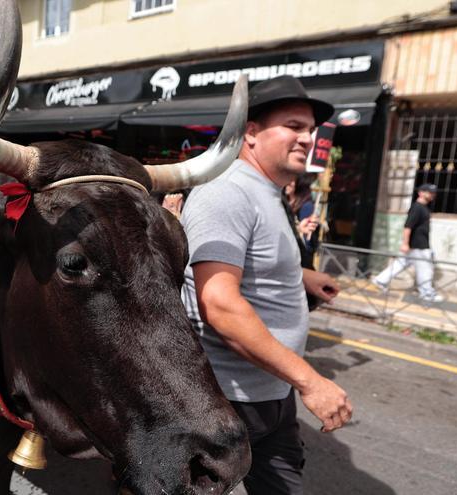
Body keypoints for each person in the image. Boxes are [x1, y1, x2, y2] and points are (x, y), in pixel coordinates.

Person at [180, 75, 352, 495]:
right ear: (251, 133)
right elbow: (218, 303)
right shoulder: (226, 192)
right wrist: (311, 381)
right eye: (293, 126)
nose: (307, 138)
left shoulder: (268, 192)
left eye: (309, 129)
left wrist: (301, 276)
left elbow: (251, 261)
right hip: (225, 402)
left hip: (272, 395)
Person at [371, 183, 444, 303]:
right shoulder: (417, 207)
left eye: (433, 192)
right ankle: (426, 293)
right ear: (420, 192)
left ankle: (380, 280)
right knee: (425, 269)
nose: (432, 194)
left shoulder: (423, 208)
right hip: (419, 246)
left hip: (415, 245)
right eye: (429, 192)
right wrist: (405, 243)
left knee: (399, 264)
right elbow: (408, 226)